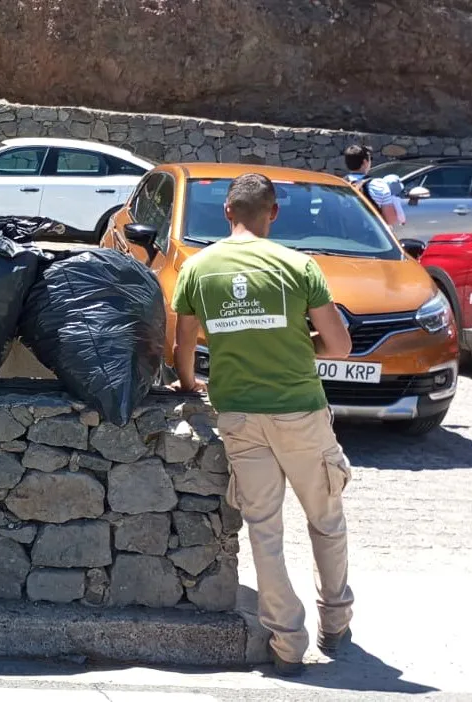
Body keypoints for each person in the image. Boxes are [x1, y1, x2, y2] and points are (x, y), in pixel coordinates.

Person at [170, 173, 355, 678]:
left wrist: (189, 386)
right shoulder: (298, 266)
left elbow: (184, 348)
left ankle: (287, 643)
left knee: (264, 530)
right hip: (300, 411)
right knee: (326, 520)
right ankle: (335, 623)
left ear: (227, 213)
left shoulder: (197, 268)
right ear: (273, 213)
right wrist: (302, 344)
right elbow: (340, 347)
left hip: (239, 417)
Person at [342, 144, 402, 227]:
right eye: (370, 159)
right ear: (365, 162)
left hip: (342, 235)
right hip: (369, 236)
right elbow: (390, 220)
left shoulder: (338, 184)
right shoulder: (378, 185)